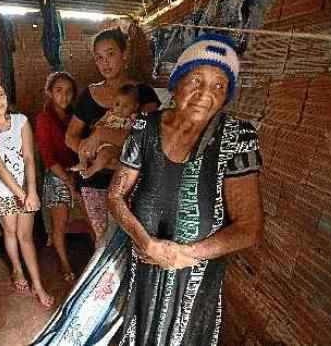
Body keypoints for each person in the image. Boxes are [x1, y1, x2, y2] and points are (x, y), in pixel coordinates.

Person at [29, 33, 264, 346]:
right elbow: (115, 196)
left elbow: (249, 227)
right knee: (140, 327)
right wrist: (147, 244)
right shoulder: (145, 125)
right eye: (196, 80)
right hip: (143, 262)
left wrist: (185, 254)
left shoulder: (237, 137)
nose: (205, 94)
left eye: (219, 85)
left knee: (184, 333)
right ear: (176, 82)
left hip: (194, 272)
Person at [65, 27, 160, 247]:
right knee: (104, 244)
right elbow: (70, 136)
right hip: (96, 181)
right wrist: (90, 152)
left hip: (133, 182)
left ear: (124, 54)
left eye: (110, 54)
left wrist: (102, 134)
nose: (105, 63)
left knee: (136, 243)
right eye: (99, 58)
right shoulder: (89, 95)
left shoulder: (143, 93)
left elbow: (149, 138)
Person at [0, 78, 54, 308]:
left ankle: (38, 285)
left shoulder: (21, 121)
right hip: (1, 191)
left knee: (26, 237)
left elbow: (30, 158)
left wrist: (31, 191)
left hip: (24, 189)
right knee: (9, 232)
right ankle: (17, 269)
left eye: (0, 95)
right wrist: (22, 195)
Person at [35, 72, 80, 283]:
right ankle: (65, 263)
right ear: (49, 93)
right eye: (59, 91)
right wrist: (68, 180)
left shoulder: (75, 117)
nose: (64, 96)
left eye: (69, 91)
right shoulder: (44, 119)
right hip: (56, 175)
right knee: (59, 226)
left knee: (86, 220)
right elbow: (47, 157)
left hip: (77, 171)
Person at [70, 84, 140, 179]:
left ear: (135, 107)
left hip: (111, 145)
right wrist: (97, 128)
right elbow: (99, 124)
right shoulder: (109, 113)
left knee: (105, 154)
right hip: (96, 143)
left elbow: (125, 136)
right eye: (117, 104)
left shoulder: (131, 119)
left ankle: (92, 170)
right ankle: (83, 162)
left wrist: (103, 134)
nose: (120, 109)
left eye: (125, 106)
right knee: (83, 143)